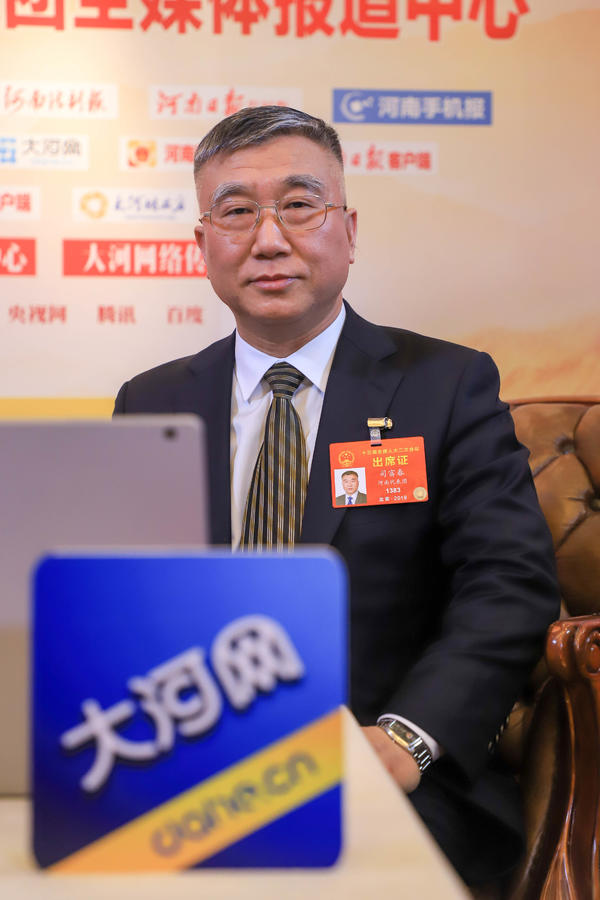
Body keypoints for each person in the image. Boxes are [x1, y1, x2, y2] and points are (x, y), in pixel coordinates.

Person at [114, 106, 560, 889]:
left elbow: (509, 582)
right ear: (203, 245)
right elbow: (121, 597)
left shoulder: (446, 386)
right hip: (193, 763)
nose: (269, 239)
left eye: (299, 205)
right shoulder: (151, 401)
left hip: (391, 768)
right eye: (236, 212)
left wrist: (407, 738)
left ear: (348, 231)